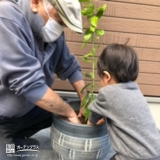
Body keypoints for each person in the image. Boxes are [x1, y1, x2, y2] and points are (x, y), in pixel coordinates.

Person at [0, 0, 85, 159]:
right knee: (66, 110)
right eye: (59, 20)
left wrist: (85, 101)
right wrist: (68, 112)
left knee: (67, 107)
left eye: (63, 25)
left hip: (28, 109)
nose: (59, 28)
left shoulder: (51, 33)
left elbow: (70, 66)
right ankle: (12, 144)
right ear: (36, 2)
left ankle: (16, 140)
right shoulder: (5, 17)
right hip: (3, 117)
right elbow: (30, 84)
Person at [87, 43, 160, 160]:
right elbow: (122, 112)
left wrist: (90, 124)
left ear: (106, 76)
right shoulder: (136, 90)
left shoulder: (107, 93)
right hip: (155, 150)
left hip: (134, 156)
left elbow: (95, 112)